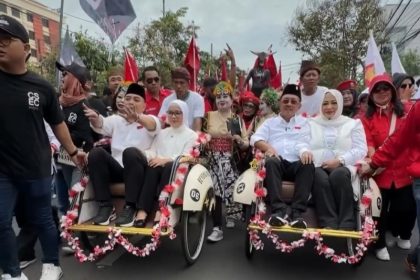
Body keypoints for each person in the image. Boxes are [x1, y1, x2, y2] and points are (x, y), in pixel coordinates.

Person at [0, 14, 84, 280]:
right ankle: (12, 273)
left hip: (36, 167)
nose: (0, 44)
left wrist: (73, 151)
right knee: (1, 221)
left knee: (42, 219)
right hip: (3, 170)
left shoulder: (42, 87)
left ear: (25, 49)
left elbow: (58, 124)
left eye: (6, 40)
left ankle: (52, 265)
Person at [84, 83, 161, 226]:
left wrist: (137, 117)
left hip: (140, 169)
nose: (131, 102)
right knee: (96, 153)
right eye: (128, 99)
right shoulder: (116, 120)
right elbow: (102, 124)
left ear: (144, 105)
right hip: (118, 169)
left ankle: (130, 207)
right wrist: (95, 118)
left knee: (130, 152)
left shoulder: (150, 119)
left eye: (136, 100)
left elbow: (153, 125)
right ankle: (106, 206)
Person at [360, 100, 420, 276]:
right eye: (378, 90)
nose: (383, 93)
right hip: (381, 170)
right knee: (379, 211)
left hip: (402, 170)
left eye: (386, 89)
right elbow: (397, 140)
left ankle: (412, 253)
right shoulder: (367, 117)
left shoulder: (405, 111)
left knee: (404, 208)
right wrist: (374, 162)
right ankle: (379, 244)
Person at [299, 89, 367, 230]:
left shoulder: (353, 124)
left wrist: (340, 160)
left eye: (334, 103)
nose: (329, 107)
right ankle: (328, 223)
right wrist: (304, 151)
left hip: (344, 166)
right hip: (318, 165)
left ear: (340, 104)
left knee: (339, 175)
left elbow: (361, 149)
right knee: (319, 178)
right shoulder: (310, 123)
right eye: (325, 103)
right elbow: (302, 142)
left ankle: (347, 223)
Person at [251, 84, 314, 228]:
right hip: (277, 163)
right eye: (285, 101)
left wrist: (304, 151)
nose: (289, 104)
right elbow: (255, 139)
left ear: (299, 105)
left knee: (308, 164)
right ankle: (279, 211)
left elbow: (304, 141)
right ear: (280, 103)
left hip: (296, 163)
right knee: (271, 161)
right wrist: (268, 148)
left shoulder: (305, 123)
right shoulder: (270, 123)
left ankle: (297, 213)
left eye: (293, 101)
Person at [134, 100, 198, 227]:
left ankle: (160, 210)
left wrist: (166, 160)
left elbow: (187, 155)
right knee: (152, 167)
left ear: (184, 114)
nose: (173, 116)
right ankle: (142, 211)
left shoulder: (191, 135)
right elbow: (153, 151)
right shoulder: (162, 133)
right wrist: (141, 155)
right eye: (170, 113)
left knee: (169, 166)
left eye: (177, 113)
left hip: (178, 169)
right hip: (158, 167)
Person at [203, 81, 249, 242]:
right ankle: (217, 228)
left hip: (231, 159)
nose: (221, 99)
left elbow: (245, 144)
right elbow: (200, 137)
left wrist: (238, 140)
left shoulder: (236, 119)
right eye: (218, 97)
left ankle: (231, 214)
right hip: (212, 159)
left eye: (225, 96)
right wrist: (205, 139)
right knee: (216, 190)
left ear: (231, 99)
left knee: (230, 188)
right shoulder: (208, 116)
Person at [55, 61, 94, 217]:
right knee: (63, 199)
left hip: (79, 158)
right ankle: (66, 232)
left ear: (75, 80)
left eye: (65, 74)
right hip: (61, 157)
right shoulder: (57, 102)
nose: (62, 77)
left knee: (74, 197)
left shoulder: (85, 106)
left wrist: (62, 135)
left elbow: (87, 137)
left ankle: (75, 238)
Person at [159, 67, 204, 131]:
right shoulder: (167, 100)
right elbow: (161, 120)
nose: (178, 86)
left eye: (182, 83)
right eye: (176, 82)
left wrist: (195, 139)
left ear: (188, 83)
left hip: (191, 135)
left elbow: (197, 122)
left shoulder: (198, 99)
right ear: (172, 83)